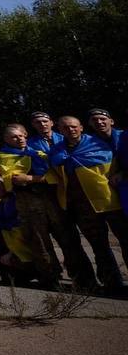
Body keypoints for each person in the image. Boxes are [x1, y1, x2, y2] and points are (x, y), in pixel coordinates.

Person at [52, 115, 126, 293]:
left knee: (126, 240)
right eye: (65, 128)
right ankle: (112, 283)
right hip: (82, 206)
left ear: (81, 127)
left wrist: (121, 173)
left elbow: (118, 164)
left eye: (73, 126)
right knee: (99, 246)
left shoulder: (99, 144)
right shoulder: (56, 151)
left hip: (109, 200)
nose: (70, 130)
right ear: (60, 131)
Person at [0, 122, 67, 288]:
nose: (19, 139)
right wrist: (37, 179)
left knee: (67, 237)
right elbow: (14, 179)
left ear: (26, 135)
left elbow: (54, 175)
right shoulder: (5, 156)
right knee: (39, 242)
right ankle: (51, 278)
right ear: (6, 139)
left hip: (51, 199)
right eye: (14, 137)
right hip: (28, 202)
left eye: (21, 135)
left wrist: (31, 178)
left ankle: (83, 278)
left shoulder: (39, 153)